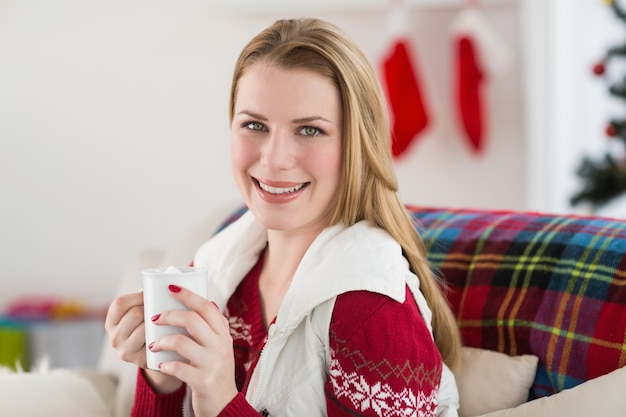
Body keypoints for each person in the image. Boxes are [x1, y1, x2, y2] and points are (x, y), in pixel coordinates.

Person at [105, 17, 462, 417]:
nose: (273, 159)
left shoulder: (373, 309)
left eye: (309, 130)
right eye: (254, 125)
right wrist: (163, 381)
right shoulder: (217, 265)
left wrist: (222, 400)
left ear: (355, 146)